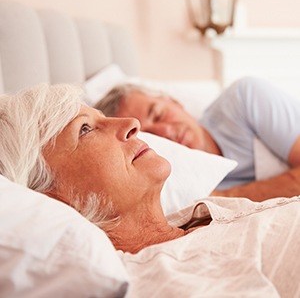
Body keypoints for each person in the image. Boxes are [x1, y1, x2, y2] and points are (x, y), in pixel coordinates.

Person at [0, 84, 299, 296]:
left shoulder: (197, 215)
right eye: (86, 129)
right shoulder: (173, 278)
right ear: (50, 196)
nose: (133, 124)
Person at [95, 77, 300, 201]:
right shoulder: (175, 187)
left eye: (158, 114)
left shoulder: (245, 98)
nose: (166, 132)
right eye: (151, 136)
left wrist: (225, 199)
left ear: (174, 102)